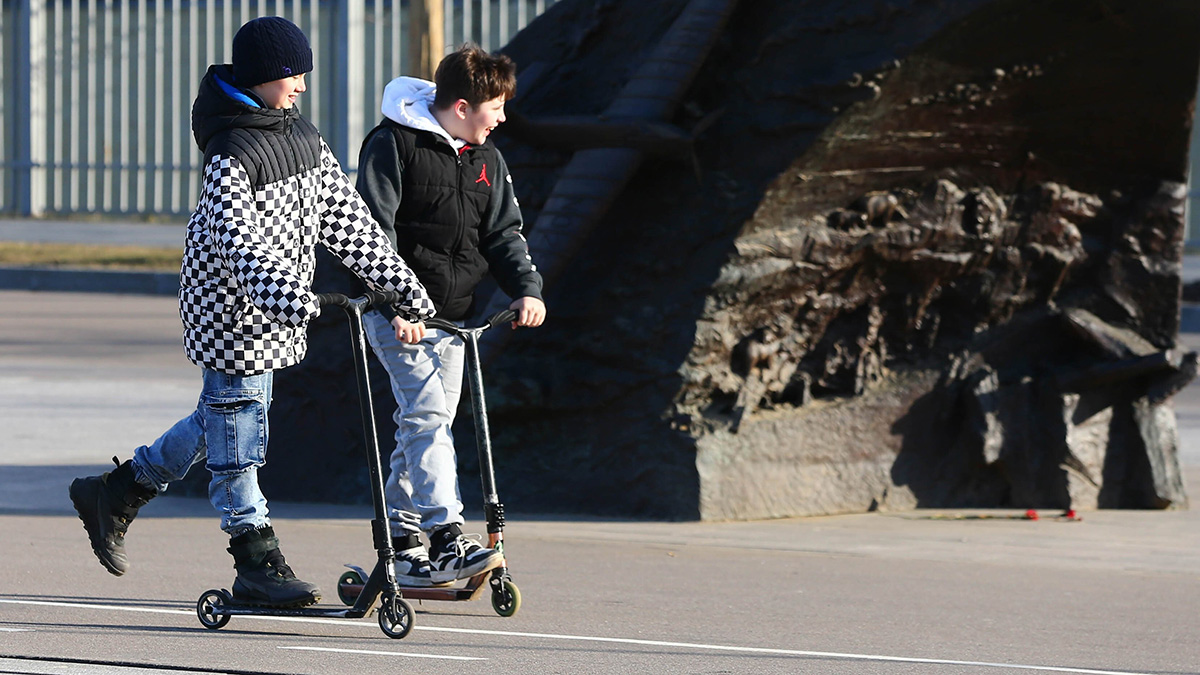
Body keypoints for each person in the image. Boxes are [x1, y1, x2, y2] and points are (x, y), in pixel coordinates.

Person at [68, 16, 435, 608]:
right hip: (230, 313)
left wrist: (401, 287)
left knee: (220, 417)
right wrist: (290, 297)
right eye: (293, 75)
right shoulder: (231, 152)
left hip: (272, 311)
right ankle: (255, 557)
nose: (302, 86)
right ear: (263, 76)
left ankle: (118, 490)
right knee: (238, 427)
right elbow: (237, 241)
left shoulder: (301, 135)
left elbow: (347, 220)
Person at [355, 44, 545, 587]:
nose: (502, 118)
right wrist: (397, 304)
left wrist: (525, 290)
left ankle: (401, 544)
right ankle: (447, 537)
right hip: (398, 315)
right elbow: (371, 234)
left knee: (423, 423)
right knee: (427, 417)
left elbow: (503, 234)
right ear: (462, 107)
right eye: (495, 107)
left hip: (456, 319)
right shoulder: (393, 144)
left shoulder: (487, 159)